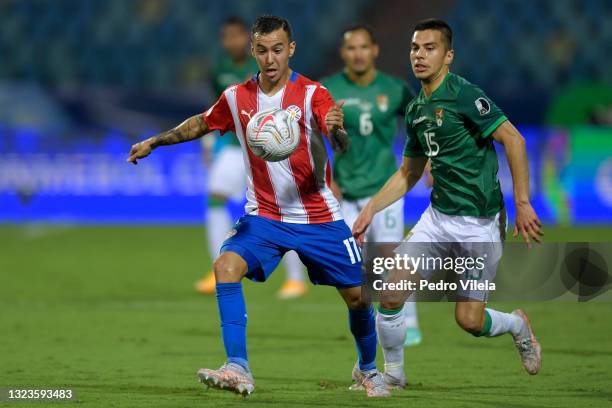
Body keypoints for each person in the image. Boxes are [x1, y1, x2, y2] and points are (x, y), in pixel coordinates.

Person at [127, 15, 390, 398]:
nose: (270, 59)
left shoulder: (313, 94)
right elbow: (201, 123)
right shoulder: (237, 97)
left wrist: (337, 129)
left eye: (278, 50)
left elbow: (339, 139)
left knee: (358, 297)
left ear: (291, 49)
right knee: (225, 266)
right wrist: (156, 141)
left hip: (318, 217)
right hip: (264, 216)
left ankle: (368, 369)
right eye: (263, 51)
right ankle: (238, 367)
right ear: (253, 51)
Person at [352, 18, 543, 386]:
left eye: (429, 48)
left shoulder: (464, 95)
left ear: (448, 55)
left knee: (469, 321)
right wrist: (372, 206)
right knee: (391, 292)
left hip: (479, 224)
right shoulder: (416, 109)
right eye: (414, 48)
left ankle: (517, 324)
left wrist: (523, 202)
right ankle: (394, 375)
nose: (419, 55)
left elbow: (514, 140)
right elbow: (409, 172)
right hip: (437, 220)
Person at [321, 24, 422, 365]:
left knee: (389, 260)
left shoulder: (395, 90)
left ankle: (407, 323)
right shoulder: (330, 90)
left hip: (385, 192)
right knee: (355, 271)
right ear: (343, 53)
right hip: (347, 193)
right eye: (351, 48)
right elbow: (318, 138)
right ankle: (370, 340)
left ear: (375, 50)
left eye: (364, 47)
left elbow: (421, 123)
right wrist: (329, 179)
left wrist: (430, 162)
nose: (358, 53)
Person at [196, 16, 307, 299]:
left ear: (247, 39)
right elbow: (213, 110)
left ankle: (295, 279)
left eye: (236, 36)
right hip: (234, 148)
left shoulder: (262, 64)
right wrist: (209, 144)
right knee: (214, 198)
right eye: (226, 37)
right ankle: (218, 265)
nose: (231, 42)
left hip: (269, 150)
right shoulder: (219, 70)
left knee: (284, 210)